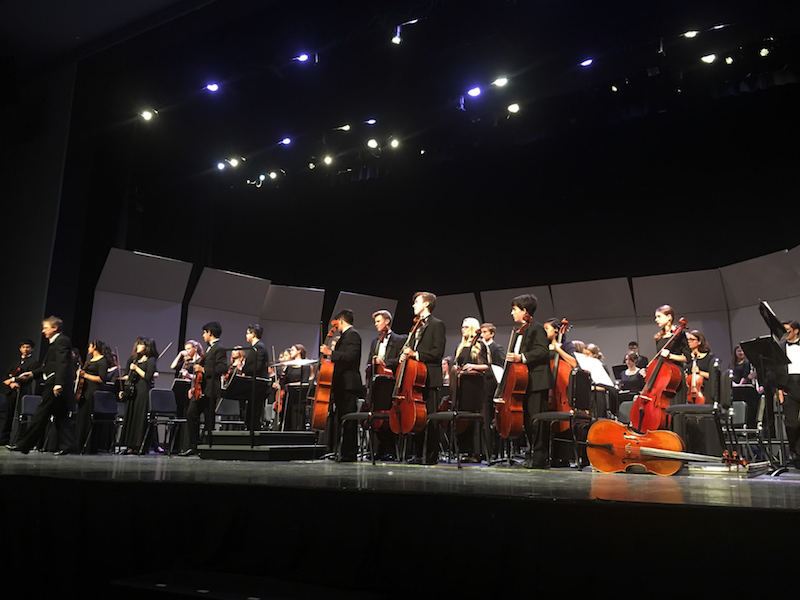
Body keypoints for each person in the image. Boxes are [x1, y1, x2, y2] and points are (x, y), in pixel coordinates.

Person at [7, 317, 77, 455]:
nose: (43, 331)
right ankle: (70, 446)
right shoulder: (55, 343)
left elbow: (62, 363)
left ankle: (24, 444)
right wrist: (32, 374)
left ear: (55, 328)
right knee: (61, 416)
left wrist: (58, 383)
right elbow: (48, 366)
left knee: (40, 414)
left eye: (45, 328)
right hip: (55, 383)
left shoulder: (61, 341)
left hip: (54, 384)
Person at [504, 294, 551, 469]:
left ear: (524, 311)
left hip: (537, 382)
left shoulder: (537, 328)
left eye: (514, 309)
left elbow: (542, 351)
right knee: (528, 421)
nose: (511, 313)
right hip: (524, 383)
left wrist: (521, 357)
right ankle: (531, 454)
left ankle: (539, 458)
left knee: (536, 421)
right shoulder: (521, 331)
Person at [401, 291, 446, 465]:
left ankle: (430, 456)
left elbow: (437, 352)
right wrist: (405, 355)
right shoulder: (416, 326)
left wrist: (416, 354)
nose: (413, 305)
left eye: (416, 302)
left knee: (430, 418)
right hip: (415, 378)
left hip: (430, 377)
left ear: (426, 304)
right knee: (416, 418)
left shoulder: (437, 324)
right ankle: (418, 454)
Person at [320, 309, 362, 461]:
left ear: (341, 321)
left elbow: (350, 357)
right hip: (340, 384)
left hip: (348, 384)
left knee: (349, 420)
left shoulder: (353, 335)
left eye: (337, 322)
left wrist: (330, 353)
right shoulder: (345, 336)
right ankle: (341, 451)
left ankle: (349, 453)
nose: (336, 325)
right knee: (341, 419)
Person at [180, 322, 227, 456]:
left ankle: (207, 447)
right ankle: (194, 445)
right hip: (200, 389)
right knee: (191, 414)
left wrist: (204, 369)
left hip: (210, 389)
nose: (203, 335)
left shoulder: (220, 348)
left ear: (210, 333)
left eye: (205, 332)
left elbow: (222, 368)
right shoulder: (208, 349)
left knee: (208, 419)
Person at [366, 310, 406, 460]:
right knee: (376, 415)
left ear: (387, 321)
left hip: (391, 382)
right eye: (375, 321)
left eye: (378, 321)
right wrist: (373, 362)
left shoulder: (400, 339)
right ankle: (377, 449)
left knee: (390, 416)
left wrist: (385, 363)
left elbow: (400, 360)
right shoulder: (375, 342)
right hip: (377, 383)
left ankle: (391, 449)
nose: (376, 324)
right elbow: (369, 361)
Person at [453, 317, 490, 462]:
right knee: (464, 417)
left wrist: (473, 366)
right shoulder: (461, 346)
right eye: (462, 327)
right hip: (463, 385)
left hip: (476, 386)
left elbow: (488, 365)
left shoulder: (481, 345)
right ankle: (466, 451)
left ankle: (477, 452)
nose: (463, 329)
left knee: (475, 419)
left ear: (474, 329)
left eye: (466, 327)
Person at [119, 336, 158, 454]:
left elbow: (147, 376)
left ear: (146, 347)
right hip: (133, 391)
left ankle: (140, 445)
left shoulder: (151, 360)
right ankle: (130, 445)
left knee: (140, 418)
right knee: (131, 416)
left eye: (141, 345)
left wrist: (136, 368)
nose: (138, 346)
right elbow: (128, 376)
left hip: (143, 392)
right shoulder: (134, 359)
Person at [75, 339, 112, 453]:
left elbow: (101, 379)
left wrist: (85, 375)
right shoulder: (90, 360)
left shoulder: (102, 361)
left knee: (88, 418)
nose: (88, 348)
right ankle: (78, 444)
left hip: (93, 392)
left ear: (95, 347)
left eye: (90, 346)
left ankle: (89, 446)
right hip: (84, 391)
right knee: (82, 418)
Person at [1, 338, 39, 446]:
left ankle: (20, 440)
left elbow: (28, 378)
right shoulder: (16, 363)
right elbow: (6, 376)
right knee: (8, 416)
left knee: (22, 417)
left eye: (28, 347)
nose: (25, 349)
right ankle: (4, 439)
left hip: (23, 393)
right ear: (20, 349)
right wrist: (11, 383)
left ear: (32, 349)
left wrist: (13, 379)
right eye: (23, 347)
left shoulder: (33, 363)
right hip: (11, 392)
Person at [653, 304, 690, 404]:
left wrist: (670, 356)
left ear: (669, 317)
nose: (656, 319)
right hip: (662, 377)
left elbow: (687, 357)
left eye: (659, 316)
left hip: (675, 377)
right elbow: (658, 358)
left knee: (676, 407)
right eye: (656, 317)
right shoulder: (659, 337)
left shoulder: (679, 334)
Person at [778, 320, 800, 467]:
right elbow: (776, 370)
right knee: (792, 424)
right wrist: (778, 389)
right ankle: (795, 452)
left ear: (796, 331)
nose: (785, 334)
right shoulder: (779, 348)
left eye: (788, 331)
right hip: (789, 386)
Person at [241, 324, 269, 430]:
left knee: (254, 413)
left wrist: (243, 369)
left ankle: (253, 436)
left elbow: (257, 367)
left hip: (258, 385)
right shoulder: (256, 347)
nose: (246, 335)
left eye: (247, 333)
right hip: (254, 384)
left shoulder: (259, 348)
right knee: (251, 412)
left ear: (253, 334)